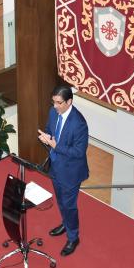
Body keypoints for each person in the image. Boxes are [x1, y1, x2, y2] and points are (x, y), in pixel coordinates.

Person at [37, 85, 89, 257]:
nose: (55, 106)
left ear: (69, 102)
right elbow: (50, 130)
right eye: (54, 102)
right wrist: (46, 137)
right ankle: (65, 223)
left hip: (71, 172)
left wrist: (56, 146)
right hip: (55, 167)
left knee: (69, 205)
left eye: (59, 103)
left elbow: (78, 152)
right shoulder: (53, 113)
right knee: (60, 201)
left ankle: (73, 237)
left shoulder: (79, 123)